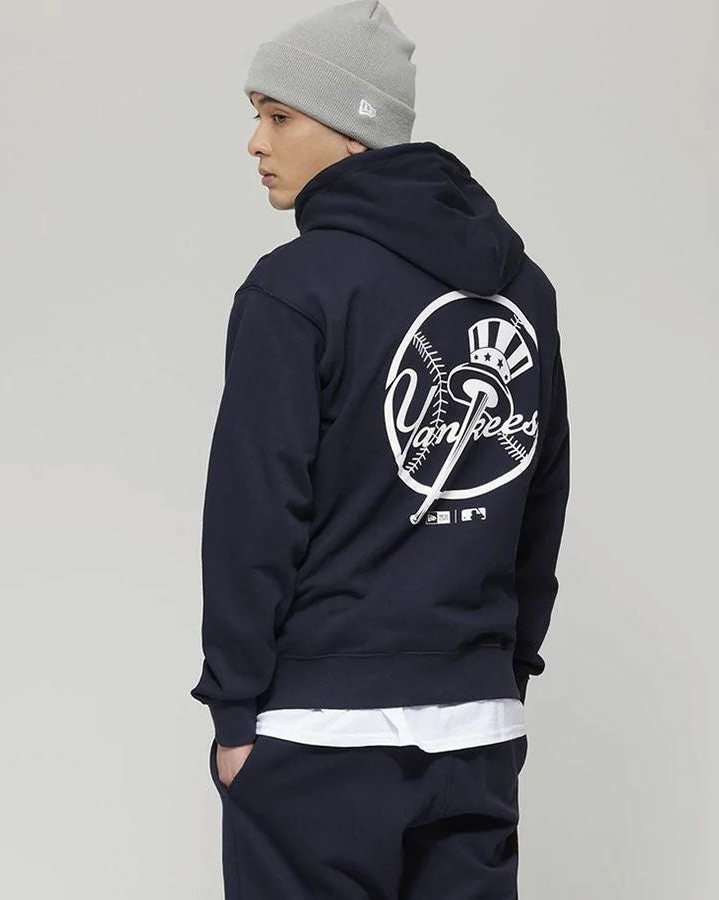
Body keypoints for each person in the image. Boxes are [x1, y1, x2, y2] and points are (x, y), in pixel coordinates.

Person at [189, 1, 571, 896]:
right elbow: (539, 498)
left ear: (353, 129)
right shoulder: (524, 290)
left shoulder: (295, 289)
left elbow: (253, 517)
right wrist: (500, 673)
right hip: (474, 733)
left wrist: (235, 712)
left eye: (280, 116)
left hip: (317, 737)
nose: (255, 142)